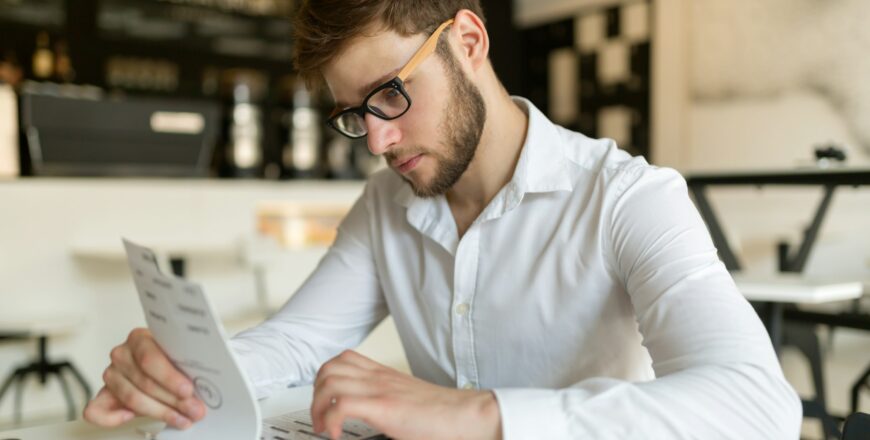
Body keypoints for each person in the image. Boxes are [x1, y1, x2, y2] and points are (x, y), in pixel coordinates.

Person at [84, 1, 802, 438]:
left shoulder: (627, 197)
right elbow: (297, 344)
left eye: (390, 95)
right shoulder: (386, 206)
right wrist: (189, 372)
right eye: (352, 114)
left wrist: (473, 416)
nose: (376, 139)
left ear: (468, 41)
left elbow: (758, 409)